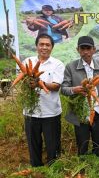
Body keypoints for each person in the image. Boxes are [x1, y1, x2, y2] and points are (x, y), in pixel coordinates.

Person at [61, 36, 99, 158]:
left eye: (89, 48)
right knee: (82, 144)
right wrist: (74, 90)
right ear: (78, 50)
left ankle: (97, 166)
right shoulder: (70, 67)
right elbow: (63, 88)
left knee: (98, 144)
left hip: (98, 111)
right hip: (80, 112)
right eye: (83, 49)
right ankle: (83, 167)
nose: (86, 52)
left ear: (94, 49)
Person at [23, 34, 65, 167]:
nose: (44, 47)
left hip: (51, 113)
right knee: (33, 144)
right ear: (36, 46)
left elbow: (56, 85)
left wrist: (39, 83)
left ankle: (53, 168)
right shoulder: (27, 62)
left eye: (48, 45)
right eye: (41, 44)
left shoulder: (57, 64)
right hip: (30, 112)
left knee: (53, 145)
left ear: (52, 47)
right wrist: (27, 82)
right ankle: (36, 169)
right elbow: (22, 82)